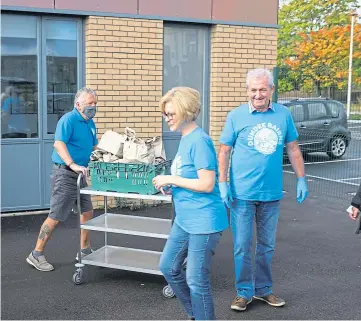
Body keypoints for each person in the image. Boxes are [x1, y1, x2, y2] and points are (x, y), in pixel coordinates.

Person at [218, 68, 308, 311]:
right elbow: (224, 150)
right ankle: (243, 292)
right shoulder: (236, 116)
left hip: (271, 194)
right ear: (247, 91)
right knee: (242, 246)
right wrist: (223, 183)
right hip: (242, 194)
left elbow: (293, 147)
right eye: (253, 90)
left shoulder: (283, 114)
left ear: (271, 90)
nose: (257, 94)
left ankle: (263, 290)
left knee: (266, 246)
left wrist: (301, 178)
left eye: (262, 89)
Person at [153, 87, 229, 320]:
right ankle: (196, 314)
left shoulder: (200, 141)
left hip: (204, 222)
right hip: (185, 220)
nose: (167, 118)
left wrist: (171, 178)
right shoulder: (185, 139)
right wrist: (173, 185)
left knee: (196, 280)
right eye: (165, 114)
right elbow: (190, 178)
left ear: (186, 110)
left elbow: (207, 184)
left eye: (171, 113)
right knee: (168, 267)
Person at [26, 87, 98, 272]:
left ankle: (85, 250)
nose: (93, 106)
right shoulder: (68, 119)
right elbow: (59, 144)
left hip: (80, 175)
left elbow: (93, 146)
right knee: (57, 215)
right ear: (78, 104)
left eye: (95, 103)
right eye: (90, 103)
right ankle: (36, 254)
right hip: (65, 173)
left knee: (87, 212)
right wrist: (72, 164)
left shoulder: (90, 122)